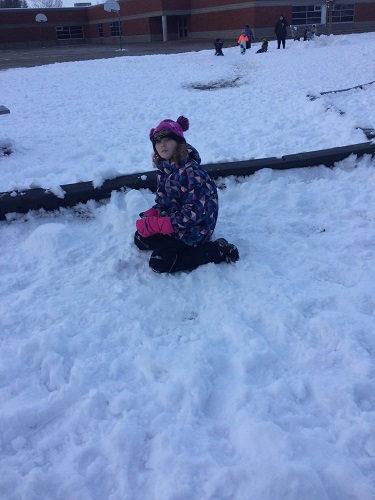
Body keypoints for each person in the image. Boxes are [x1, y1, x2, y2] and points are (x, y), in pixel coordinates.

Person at [134, 116, 239, 273]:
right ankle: (171, 244)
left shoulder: (191, 172)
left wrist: (160, 225)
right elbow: (165, 201)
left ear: (179, 143)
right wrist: (155, 213)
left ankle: (217, 249)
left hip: (196, 228)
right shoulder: (165, 170)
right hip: (176, 221)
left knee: (160, 262)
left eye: (167, 139)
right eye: (157, 141)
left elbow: (194, 213)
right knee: (140, 239)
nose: (162, 144)